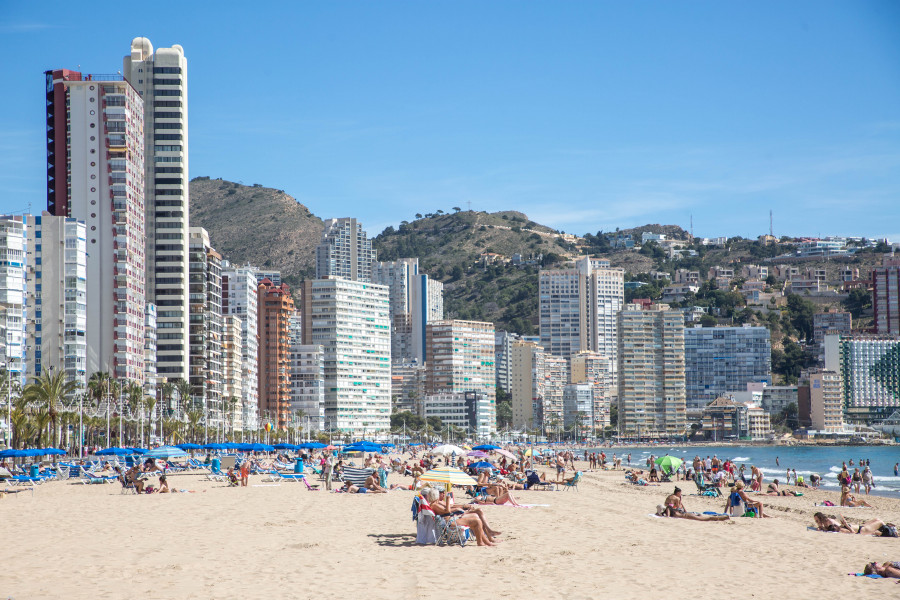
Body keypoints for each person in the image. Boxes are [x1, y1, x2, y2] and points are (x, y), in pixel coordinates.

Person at [428, 489, 499, 546]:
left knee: (477, 520)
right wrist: (448, 500)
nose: (442, 494)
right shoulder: (434, 505)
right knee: (477, 521)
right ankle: (482, 542)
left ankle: (485, 541)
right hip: (449, 522)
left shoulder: (436, 504)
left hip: (452, 519)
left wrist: (461, 507)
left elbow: (447, 510)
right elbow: (447, 511)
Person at [657, 487, 728, 521]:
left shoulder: (669, 497)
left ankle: (722, 517)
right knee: (705, 518)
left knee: (705, 518)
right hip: (685, 514)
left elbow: (668, 509)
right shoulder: (676, 499)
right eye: (680, 493)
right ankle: (722, 517)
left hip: (684, 514)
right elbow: (677, 508)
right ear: (678, 493)